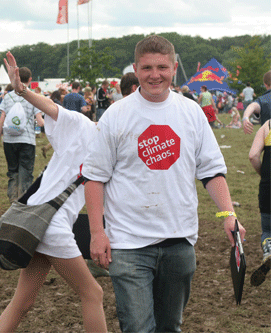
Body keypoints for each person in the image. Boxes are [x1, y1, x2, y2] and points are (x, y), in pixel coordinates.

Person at [82, 35, 245, 333]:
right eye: (146, 68)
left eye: (162, 67)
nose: (154, 75)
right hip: (128, 243)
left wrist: (227, 214)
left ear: (174, 67)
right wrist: (96, 232)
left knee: (170, 326)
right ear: (135, 68)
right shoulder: (116, 115)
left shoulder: (191, 112)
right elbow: (95, 177)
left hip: (179, 240)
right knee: (138, 327)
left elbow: (211, 171)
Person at [0, 51, 108, 333]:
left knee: (24, 300)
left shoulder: (110, 146)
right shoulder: (83, 127)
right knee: (93, 294)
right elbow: (51, 107)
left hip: (35, 222)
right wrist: (22, 90)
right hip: (50, 224)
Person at [0, 66, 44, 202]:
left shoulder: (8, 97)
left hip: (9, 140)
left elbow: (1, 120)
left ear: (17, 78)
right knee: (26, 174)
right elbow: (40, 122)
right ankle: (22, 204)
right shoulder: (34, 97)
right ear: (30, 80)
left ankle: (12, 202)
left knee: (13, 173)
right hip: (27, 141)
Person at [249, 119, 271, 286]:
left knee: (268, 230)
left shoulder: (268, 125)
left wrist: (264, 175)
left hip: (268, 187)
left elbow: (253, 155)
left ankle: (269, 247)